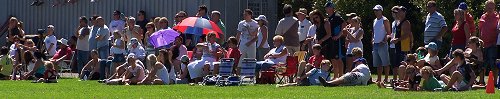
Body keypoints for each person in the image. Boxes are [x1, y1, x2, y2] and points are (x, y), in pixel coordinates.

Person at [479, 0, 499, 86]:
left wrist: (495, 42)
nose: (490, 9)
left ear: (494, 7)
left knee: (493, 63)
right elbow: (480, 30)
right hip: (483, 44)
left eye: (492, 7)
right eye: (488, 7)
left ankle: (494, 83)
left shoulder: (497, 17)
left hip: (492, 44)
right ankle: (481, 81)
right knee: (482, 63)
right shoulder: (483, 17)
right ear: (485, 7)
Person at [325, 1, 346, 79]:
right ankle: (335, 76)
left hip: (337, 41)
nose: (326, 9)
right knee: (333, 58)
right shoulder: (328, 18)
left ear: (332, 8)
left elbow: (344, 25)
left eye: (328, 7)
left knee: (338, 58)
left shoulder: (337, 16)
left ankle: (340, 76)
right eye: (326, 7)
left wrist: (339, 35)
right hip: (331, 41)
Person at [372, 5, 392, 84]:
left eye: (377, 10)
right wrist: (372, 40)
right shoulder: (375, 20)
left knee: (385, 62)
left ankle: (386, 78)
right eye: (375, 10)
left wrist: (383, 41)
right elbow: (373, 32)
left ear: (381, 11)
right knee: (378, 63)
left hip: (382, 44)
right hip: (375, 44)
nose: (376, 12)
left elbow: (389, 33)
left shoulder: (385, 20)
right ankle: (379, 78)